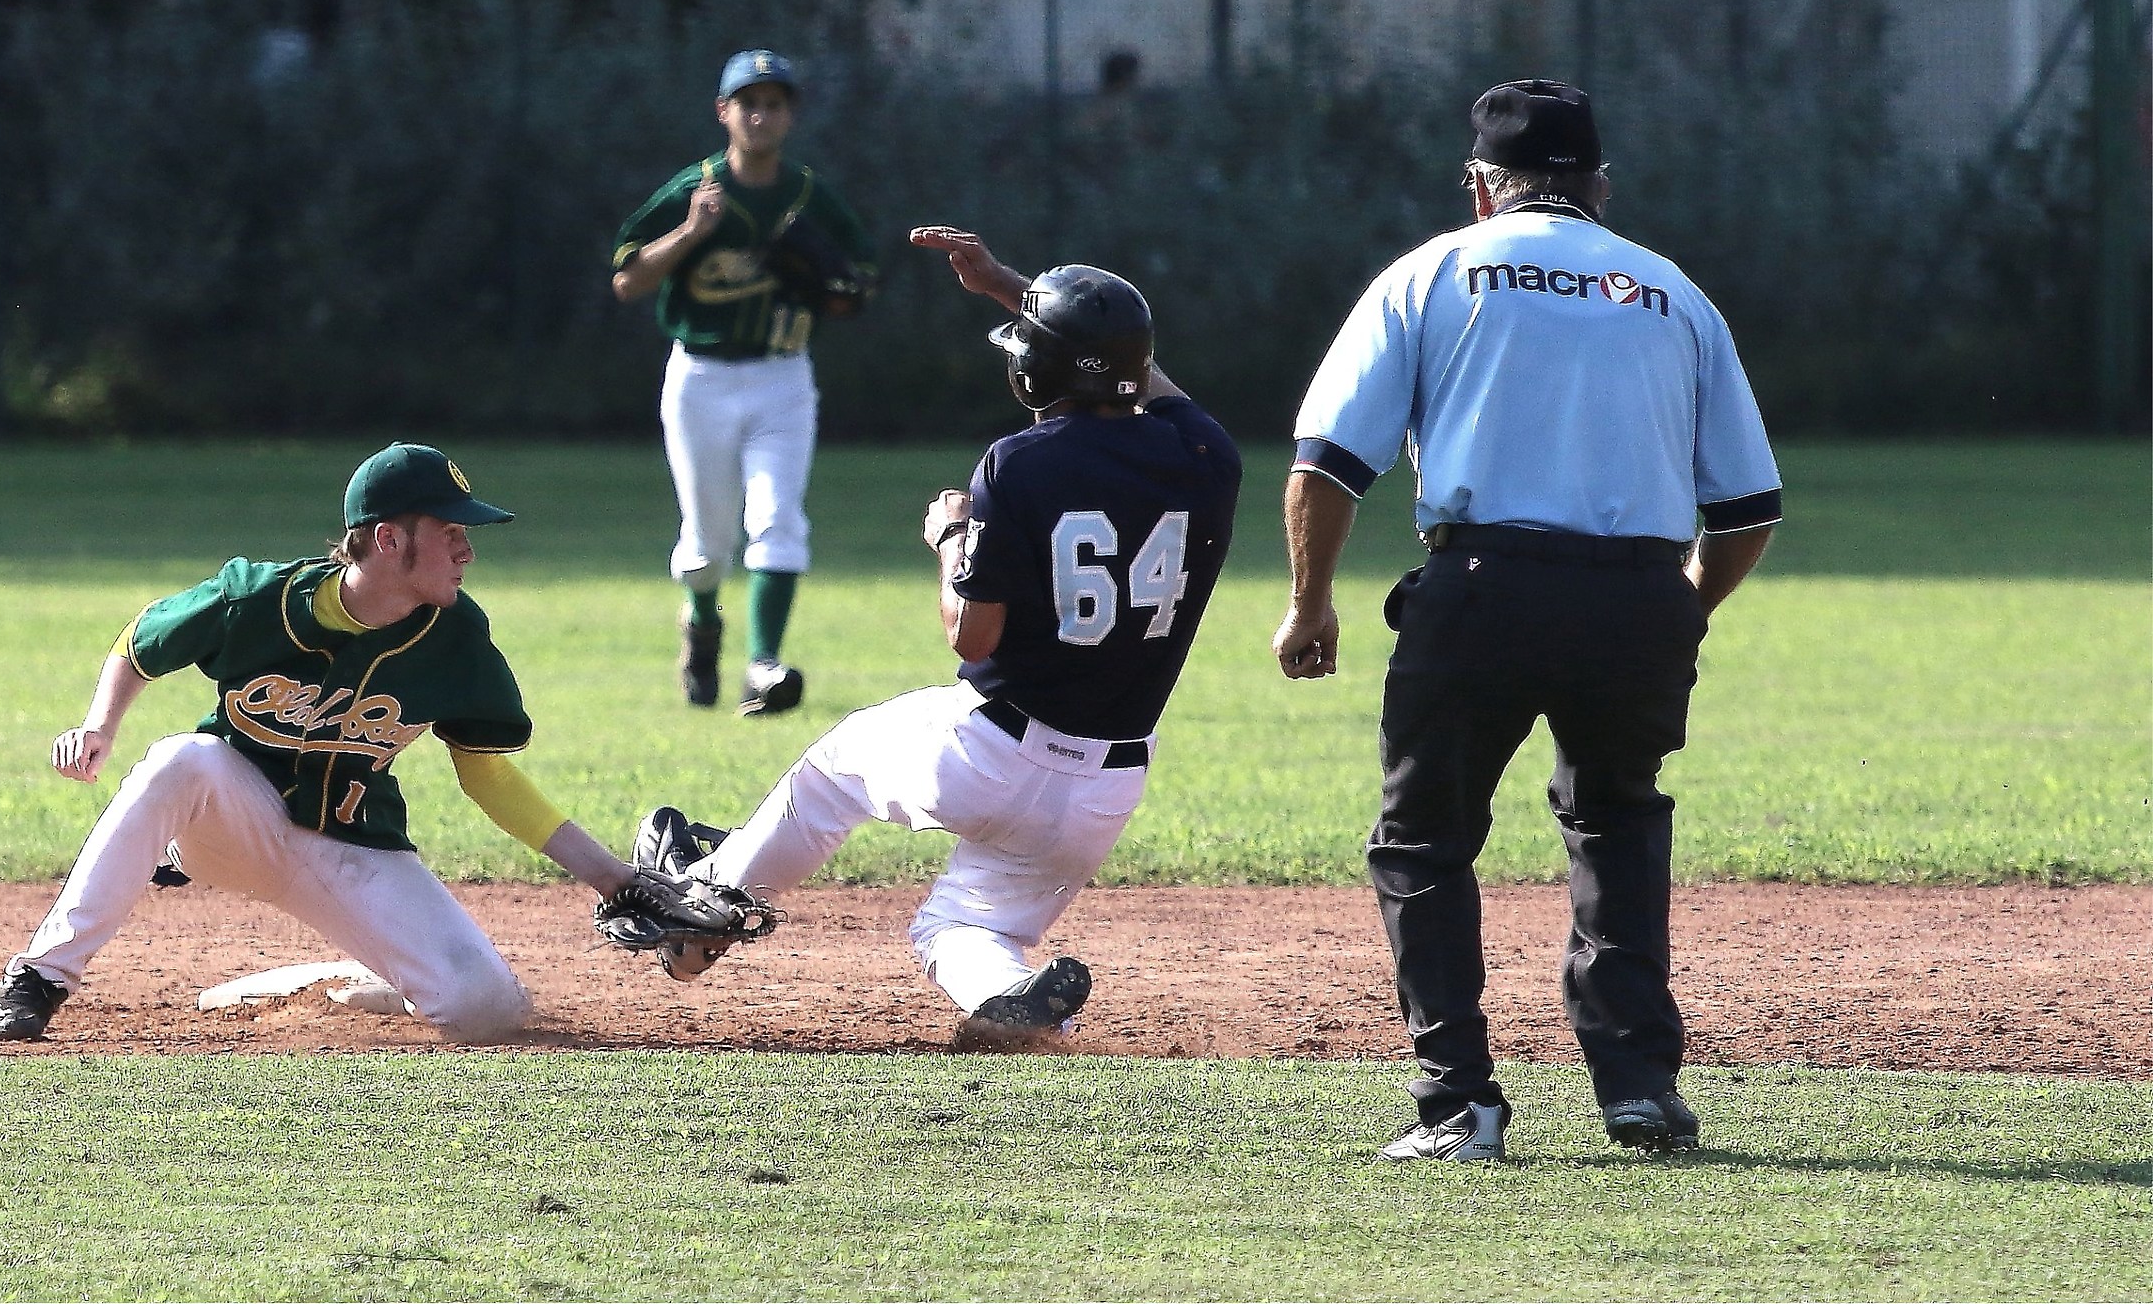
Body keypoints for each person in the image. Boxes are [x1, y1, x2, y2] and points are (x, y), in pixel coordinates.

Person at [1272, 81, 1781, 1161]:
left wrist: (1310, 603)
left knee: (1424, 840)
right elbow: (1747, 508)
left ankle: (1459, 1104)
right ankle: (1640, 1087)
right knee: (1618, 822)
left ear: (1479, 186)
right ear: (1598, 182)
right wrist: (1682, 605)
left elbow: (1325, 464)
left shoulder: (1431, 274)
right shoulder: (1673, 292)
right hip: (1637, 590)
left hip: (1481, 585)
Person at [632, 229, 1240, 1044]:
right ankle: (1006, 1000)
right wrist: (1012, 291)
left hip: (991, 748)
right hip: (1108, 781)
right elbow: (1139, 374)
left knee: (833, 773)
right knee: (962, 925)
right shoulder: (1209, 455)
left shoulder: (1019, 462)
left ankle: (701, 910)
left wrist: (951, 537)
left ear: (1037, 370)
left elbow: (973, 637)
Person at [0, 442, 657, 1044]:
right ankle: (40, 977)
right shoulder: (258, 601)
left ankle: (395, 973)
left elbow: (489, 776)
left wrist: (615, 879)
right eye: (449, 531)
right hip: (231, 824)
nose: (466, 549)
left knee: (489, 1014)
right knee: (184, 758)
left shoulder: (454, 637)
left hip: (351, 843)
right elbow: (142, 640)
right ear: (389, 540)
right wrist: (101, 724)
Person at [610, 49, 877, 717]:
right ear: (723, 112)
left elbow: (859, 283)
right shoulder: (694, 190)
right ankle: (702, 625)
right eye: (748, 102)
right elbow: (626, 279)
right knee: (704, 545)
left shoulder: (811, 196)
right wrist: (691, 231)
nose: (761, 114)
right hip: (699, 378)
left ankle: (764, 665)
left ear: (791, 115)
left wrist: (833, 285)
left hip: (782, 377)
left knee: (778, 520)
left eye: (775, 103)